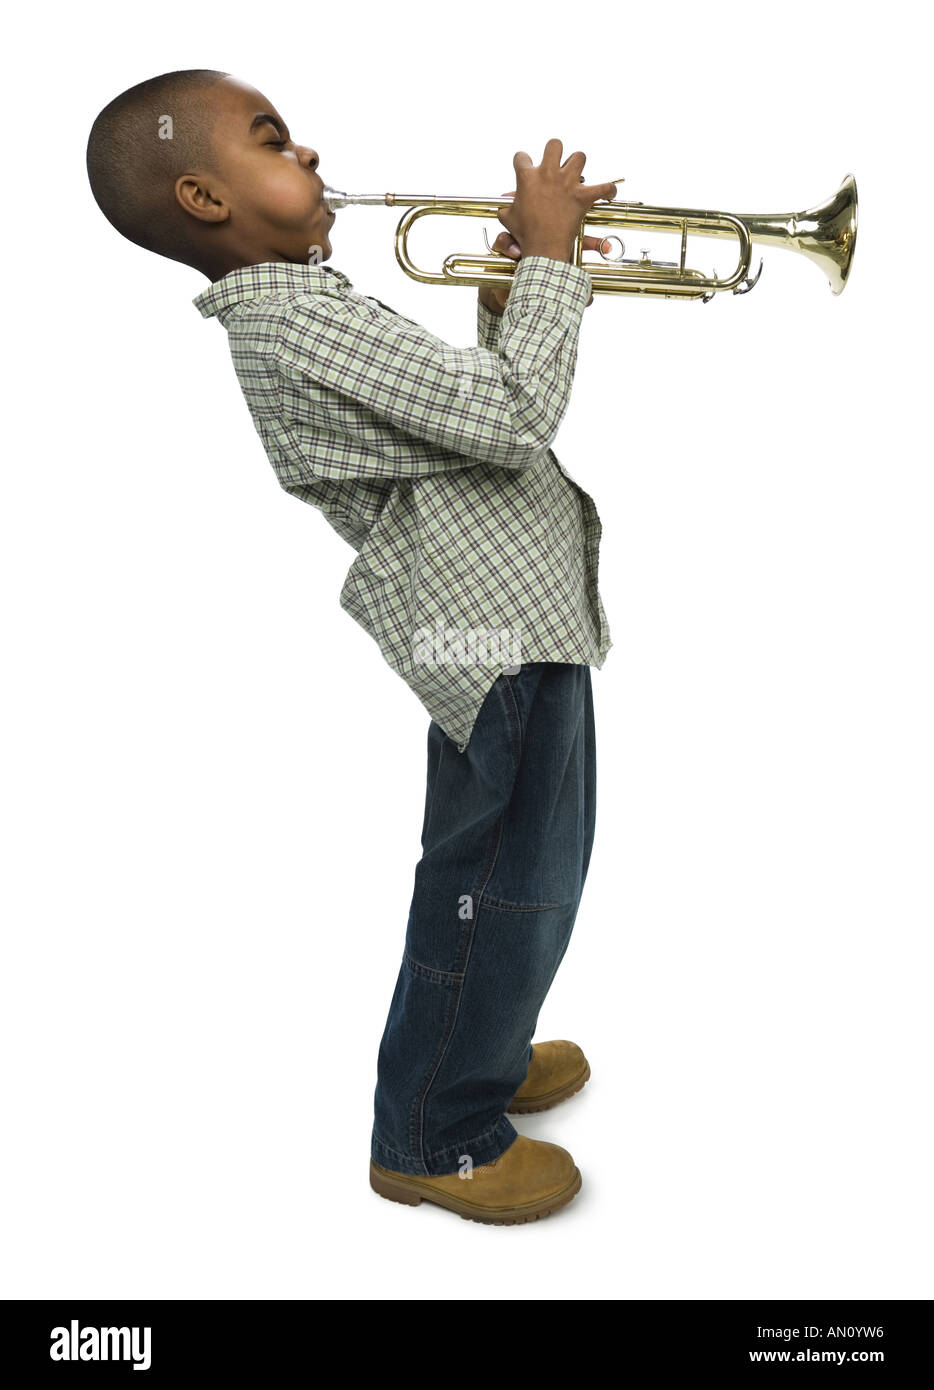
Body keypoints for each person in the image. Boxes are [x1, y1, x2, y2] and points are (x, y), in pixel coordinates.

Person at [87, 69, 616, 1225]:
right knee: (497, 880)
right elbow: (513, 416)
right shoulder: (294, 315)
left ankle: (483, 1033)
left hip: (509, 610)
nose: (311, 153)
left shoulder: (304, 302)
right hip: (488, 629)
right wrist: (549, 267)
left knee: (530, 868)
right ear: (205, 197)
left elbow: (467, 404)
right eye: (273, 140)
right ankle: (436, 1131)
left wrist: (514, 280)